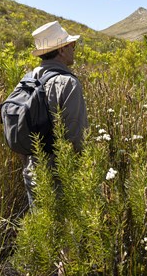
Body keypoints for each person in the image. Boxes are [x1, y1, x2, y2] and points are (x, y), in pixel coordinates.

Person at [22, 20, 88, 207]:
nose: (74, 49)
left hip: (32, 174)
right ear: (61, 50)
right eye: (71, 45)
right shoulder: (68, 83)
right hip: (59, 179)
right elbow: (77, 138)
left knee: (43, 231)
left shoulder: (27, 79)